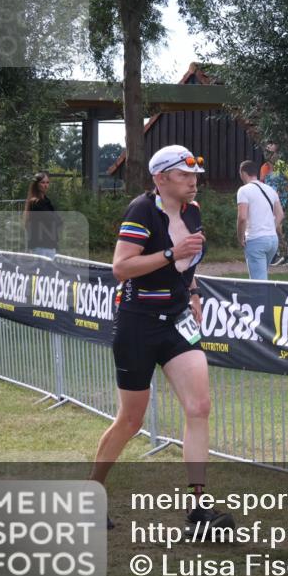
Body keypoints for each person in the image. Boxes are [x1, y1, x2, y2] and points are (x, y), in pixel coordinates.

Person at [91, 144, 232, 533]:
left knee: (199, 406)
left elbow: (190, 265)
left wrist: (194, 294)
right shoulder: (141, 211)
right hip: (137, 323)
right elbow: (121, 268)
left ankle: (199, 507)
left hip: (176, 323)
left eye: (195, 176)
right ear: (161, 178)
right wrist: (170, 253)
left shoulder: (193, 212)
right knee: (131, 420)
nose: (193, 182)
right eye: (185, 176)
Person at [236, 159, 284, 280]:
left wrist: (240, 238)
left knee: (258, 282)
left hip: (256, 239)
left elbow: (242, 218)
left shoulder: (243, 190)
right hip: (273, 240)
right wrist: (271, 228)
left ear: (243, 173)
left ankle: (263, 299)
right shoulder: (270, 189)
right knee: (262, 275)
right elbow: (280, 214)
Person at [259, 142, 288, 265]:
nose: (268, 155)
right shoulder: (264, 167)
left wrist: (284, 189)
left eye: (271, 152)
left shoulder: (283, 166)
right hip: (268, 201)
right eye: (267, 152)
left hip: (281, 200)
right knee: (271, 227)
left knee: (278, 226)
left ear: (277, 153)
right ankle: (277, 255)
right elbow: (262, 184)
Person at [23, 171, 62, 258]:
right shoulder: (35, 202)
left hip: (50, 245)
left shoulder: (47, 201)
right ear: (37, 184)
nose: (46, 185)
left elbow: (58, 221)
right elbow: (52, 220)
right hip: (40, 246)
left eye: (47, 182)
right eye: (43, 182)